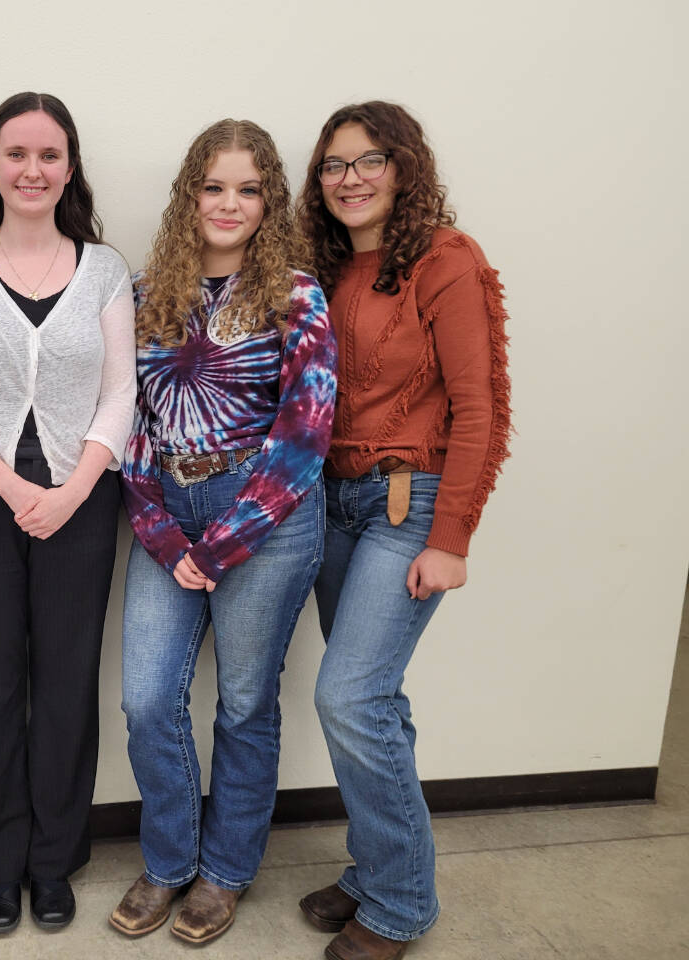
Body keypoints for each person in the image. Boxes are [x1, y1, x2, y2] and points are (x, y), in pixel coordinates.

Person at [109, 120, 336, 946]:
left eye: (248, 189)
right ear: (188, 196)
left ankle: (225, 872)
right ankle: (168, 862)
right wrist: (167, 537)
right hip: (166, 512)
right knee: (145, 699)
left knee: (244, 703)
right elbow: (127, 419)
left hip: (266, 518)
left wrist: (227, 540)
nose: (229, 204)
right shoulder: (144, 294)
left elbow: (307, 431)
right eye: (213, 186)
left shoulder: (297, 294)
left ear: (269, 201)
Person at [0, 92, 135, 934]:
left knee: (70, 677)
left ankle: (55, 861)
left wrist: (73, 490)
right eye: (16, 153)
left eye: (49, 154)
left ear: (69, 166)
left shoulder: (106, 268)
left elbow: (122, 391)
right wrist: (14, 490)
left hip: (84, 494)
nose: (32, 170)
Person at [296, 101, 511, 960]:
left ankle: (399, 904)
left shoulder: (445, 261)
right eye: (334, 166)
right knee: (372, 700)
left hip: (404, 506)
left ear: (404, 166)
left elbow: (480, 406)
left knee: (347, 696)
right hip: (334, 506)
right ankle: (379, 865)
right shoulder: (328, 268)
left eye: (368, 161)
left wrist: (451, 537)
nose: (349, 179)